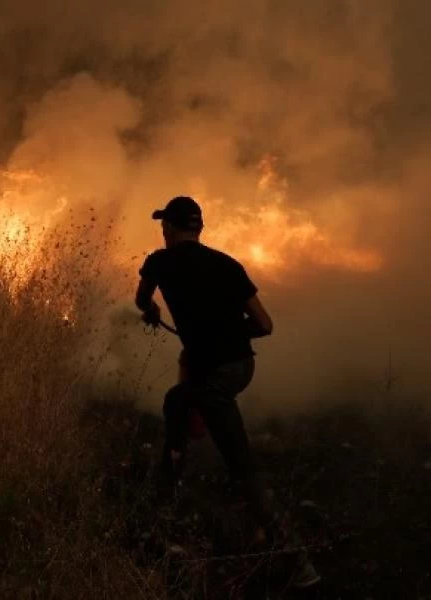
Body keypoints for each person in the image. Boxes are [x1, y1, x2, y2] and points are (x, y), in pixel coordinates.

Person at [135, 196, 320, 588]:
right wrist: (229, 332)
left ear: (169, 228)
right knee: (178, 400)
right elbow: (265, 325)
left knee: (240, 464)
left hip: (215, 379)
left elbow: (141, 300)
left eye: (164, 226)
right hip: (240, 367)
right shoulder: (228, 265)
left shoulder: (159, 262)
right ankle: (165, 499)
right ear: (199, 228)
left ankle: (298, 562)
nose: (163, 232)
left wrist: (153, 312)